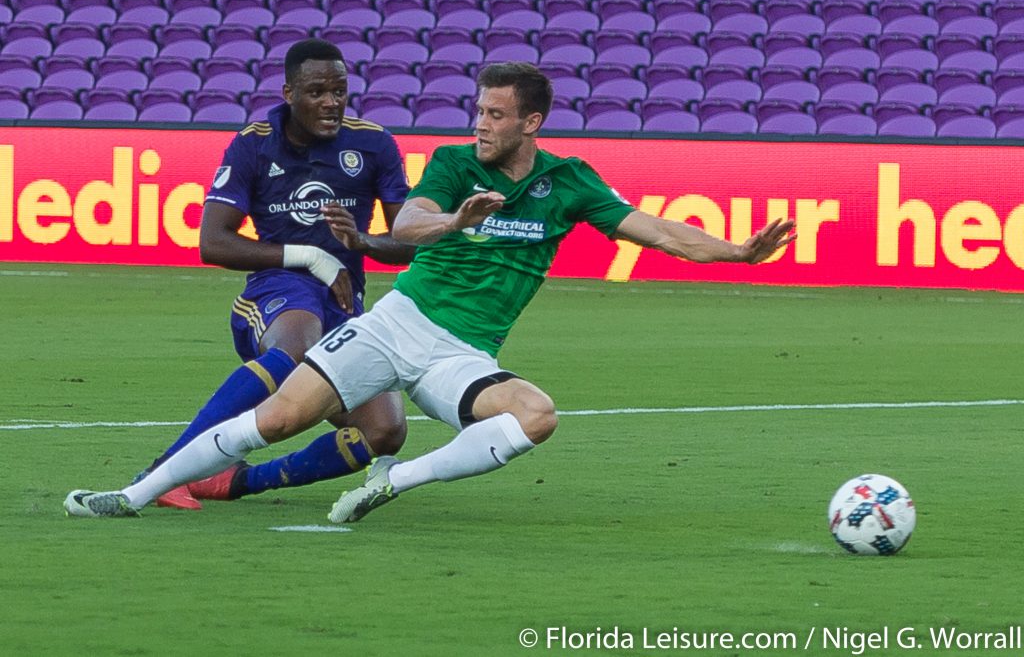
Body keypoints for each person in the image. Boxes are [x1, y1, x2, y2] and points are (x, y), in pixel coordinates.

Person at [64, 62, 796, 519]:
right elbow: (409, 222)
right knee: (279, 419)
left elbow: (658, 230)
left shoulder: (569, 183)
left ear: (531, 122)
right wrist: (455, 218)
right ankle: (129, 496)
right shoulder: (452, 164)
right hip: (395, 323)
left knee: (537, 415)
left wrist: (737, 250)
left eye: (496, 115)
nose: (480, 124)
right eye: (478, 111)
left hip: (462, 353)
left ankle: (393, 482)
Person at [136, 38, 415, 511]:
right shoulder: (254, 144)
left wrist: (363, 242)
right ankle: (165, 469)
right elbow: (213, 241)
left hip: (344, 306)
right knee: (299, 341)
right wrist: (306, 255)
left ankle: (236, 482)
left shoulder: (372, 143)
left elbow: (407, 243)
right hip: (276, 292)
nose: (331, 102)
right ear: (289, 93)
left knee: (384, 431)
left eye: (340, 91)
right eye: (316, 92)